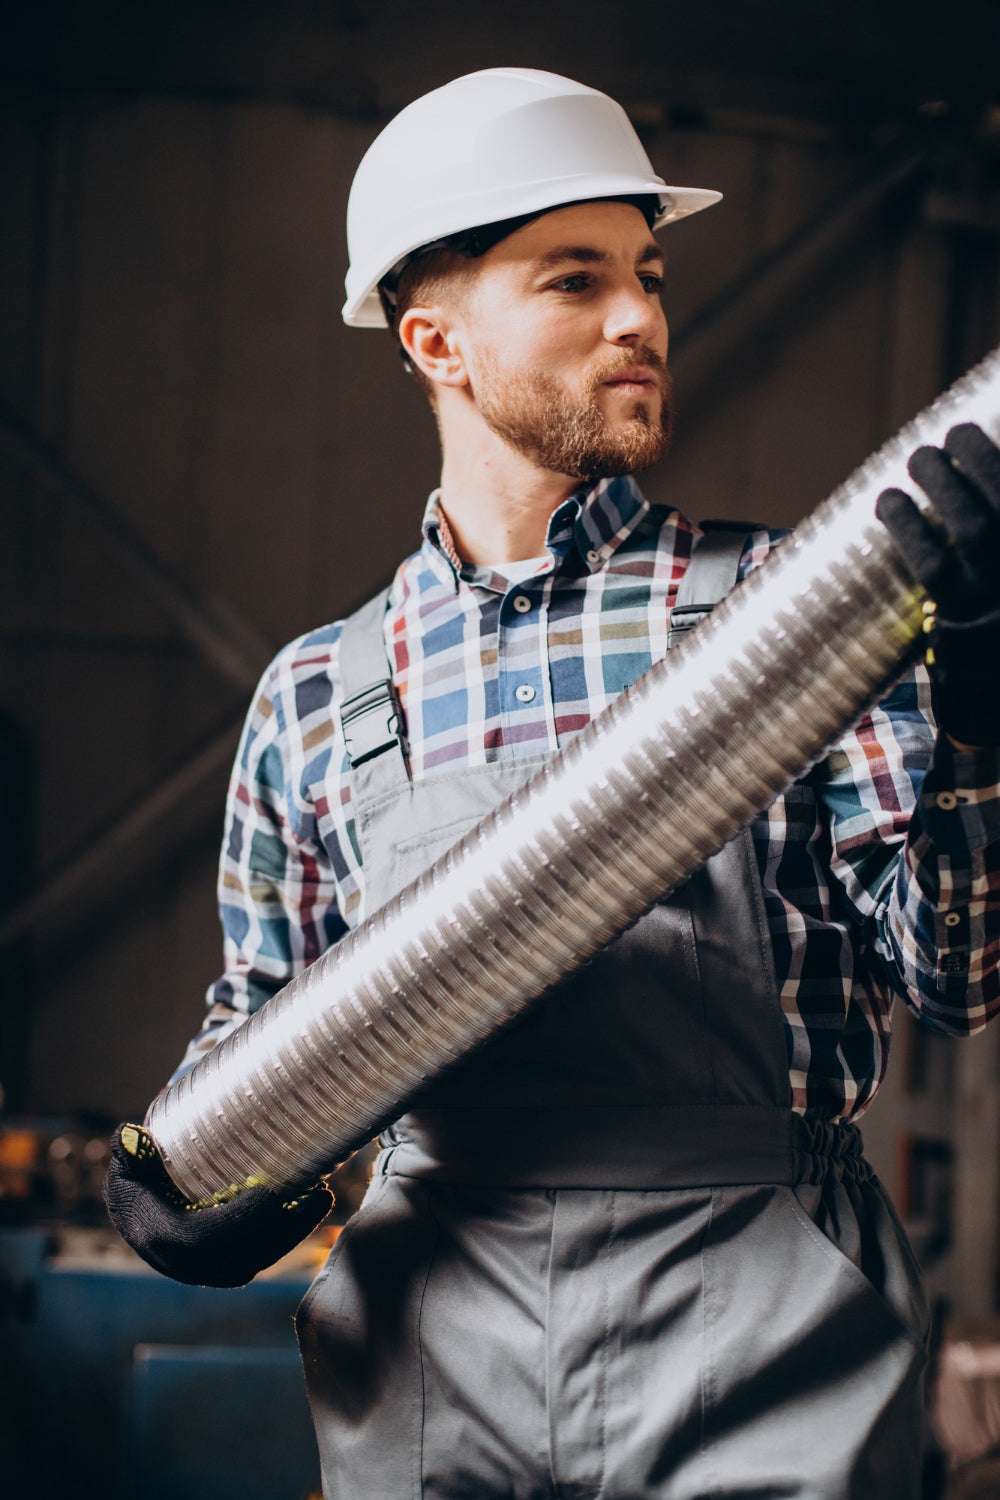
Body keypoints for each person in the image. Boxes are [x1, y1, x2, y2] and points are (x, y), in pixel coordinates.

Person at [105, 68, 1000, 1499]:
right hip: (430, 1352)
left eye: (646, 273)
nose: (644, 315)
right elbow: (266, 1046)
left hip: (767, 1320)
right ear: (437, 341)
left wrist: (980, 734)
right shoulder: (318, 700)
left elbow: (956, 979)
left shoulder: (792, 611)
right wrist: (204, 1182)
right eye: (575, 280)